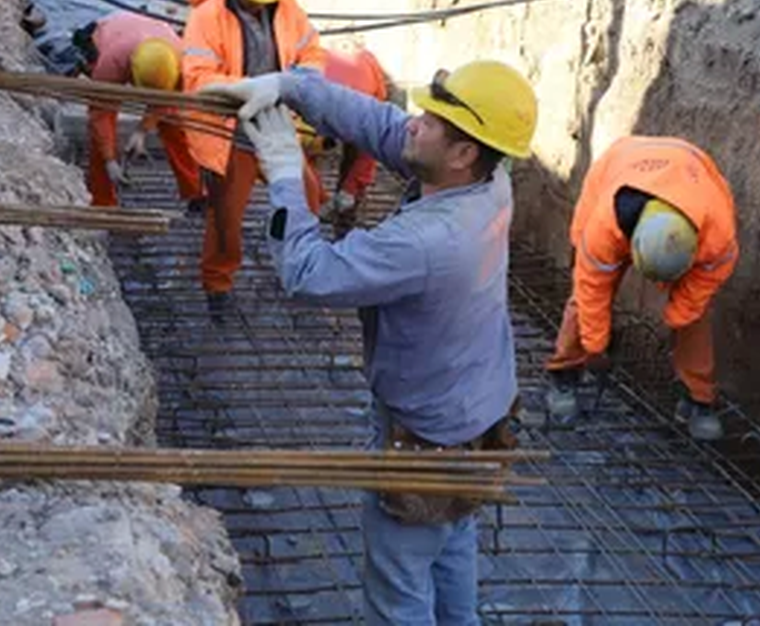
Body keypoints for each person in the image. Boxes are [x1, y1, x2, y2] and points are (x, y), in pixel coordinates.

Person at [201, 58, 537, 625]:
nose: (413, 122)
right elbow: (384, 126)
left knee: (398, 591)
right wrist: (292, 88)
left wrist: (285, 174)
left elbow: (309, 273)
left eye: (431, 121)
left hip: (427, 434)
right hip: (479, 413)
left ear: (462, 152)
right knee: (451, 547)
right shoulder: (488, 179)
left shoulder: (429, 240)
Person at [545, 136, 738, 441]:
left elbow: (704, 284)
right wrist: (597, 346)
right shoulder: (604, 226)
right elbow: (591, 288)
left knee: (695, 312)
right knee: (582, 297)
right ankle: (564, 374)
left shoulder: (717, 233)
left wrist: (676, 317)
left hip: (692, 170)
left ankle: (698, 398)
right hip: (619, 165)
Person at [180, 0, 327, 318]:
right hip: (233, 129)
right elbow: (197, 78)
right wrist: (251, 87)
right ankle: (218, 286)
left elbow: (312, 52)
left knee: (308, 196)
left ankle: (299, 268)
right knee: (226, 216)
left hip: (277, 124)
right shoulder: (206, 17)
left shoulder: (286, 8)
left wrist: (295, 84)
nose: (260, 4)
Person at [70, 11, 203, 208]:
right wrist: (110, 161)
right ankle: (103, 202)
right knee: (101, 134)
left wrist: (142, 130)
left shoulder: (181, 61)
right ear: (132, 72)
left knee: (174, 124)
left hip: (150, 35)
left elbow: (165, 102)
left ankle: (195, 191)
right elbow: (100, 115)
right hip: (113, 32)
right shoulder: (111, 62)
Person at [299, 47, 389, 233]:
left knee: (356, 155)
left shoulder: (364, 100)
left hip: (351, 93)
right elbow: (300, 157)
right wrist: (321, 200)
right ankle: (337, 214)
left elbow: (368, 148)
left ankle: (344, 220)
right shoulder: (305, 92)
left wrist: (350, 189)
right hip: (320, 98)